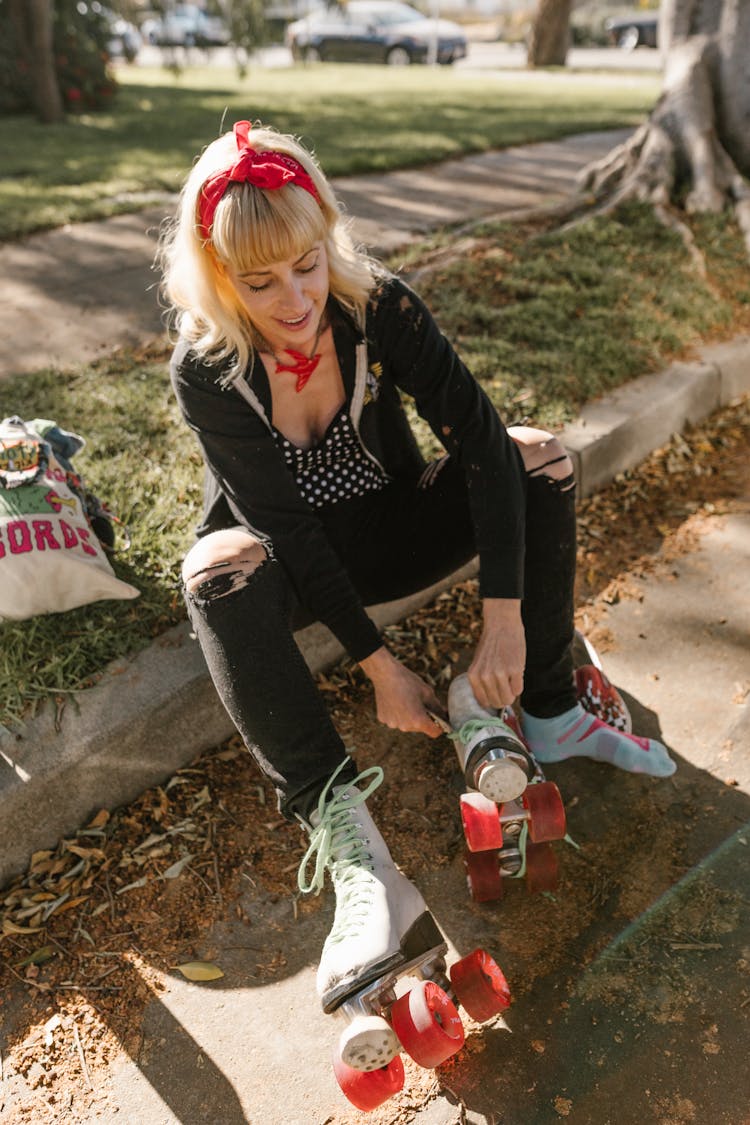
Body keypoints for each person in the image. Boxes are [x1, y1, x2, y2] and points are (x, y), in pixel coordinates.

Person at [159, 120, 676, 1070]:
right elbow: (289, 532)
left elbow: (476, 440)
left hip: (392, 527)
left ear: (329, 241)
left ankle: (552, 706)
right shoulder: (208, 369)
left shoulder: (377, 306)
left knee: (535, 454)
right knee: (214, 569)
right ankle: (356, 849)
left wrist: (505, 622)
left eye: (307, 265)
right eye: (259, 281)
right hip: (294, 566)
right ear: (219, 277)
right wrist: (379, 667)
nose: (294, 299)